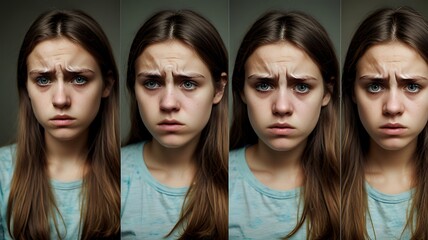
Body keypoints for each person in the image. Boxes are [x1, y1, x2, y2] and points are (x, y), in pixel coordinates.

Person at [0, 9, 120, 239]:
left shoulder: (129, 175)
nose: (60, 100)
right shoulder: (3, 175)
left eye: (79, 79)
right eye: (43, 80)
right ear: (26, 88)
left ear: (107, 84)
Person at [229, 11, 339, 239]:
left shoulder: (351, 184)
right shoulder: (213, 177)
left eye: (301, 87)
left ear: (327, 93)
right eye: (263, 85)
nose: (281, 107)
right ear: (242, 91)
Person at [120, 10, 228, 239]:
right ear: (133, 88)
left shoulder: (237, 181)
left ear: (218, 89)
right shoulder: (112, 175)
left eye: (188, 83)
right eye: (151, 83)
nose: (168, 103)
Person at [341, 6, 428, 239]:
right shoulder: (325, 184)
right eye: (375, 86)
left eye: (412, 86)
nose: (392, 107)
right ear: (352, 91)